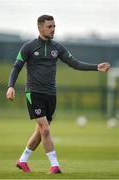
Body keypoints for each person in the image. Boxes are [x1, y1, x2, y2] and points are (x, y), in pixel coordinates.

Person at [6, 15, 110, 174]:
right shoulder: (28, 47)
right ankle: (55, 165)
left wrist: (96, 67)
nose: (53, 29)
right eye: (49, 26)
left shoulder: (58, 48)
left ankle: (23, 161)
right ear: (40, 28)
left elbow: (74, 63)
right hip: (34, 93)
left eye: (54, 26)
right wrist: (11, 86)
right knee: (45, 130)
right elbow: (16, 67)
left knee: (41, 132)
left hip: (51, 94)